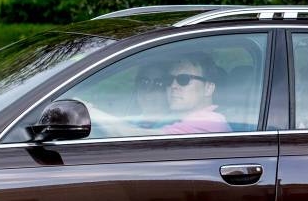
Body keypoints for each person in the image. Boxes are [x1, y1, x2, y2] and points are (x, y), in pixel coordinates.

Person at [87, 52, 229, 137]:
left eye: (183, 80)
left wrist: (91, 113)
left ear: (209, 88)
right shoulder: (190, 121)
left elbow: (140, 140)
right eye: (169, 80)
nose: (173, 86)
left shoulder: (207, 123)